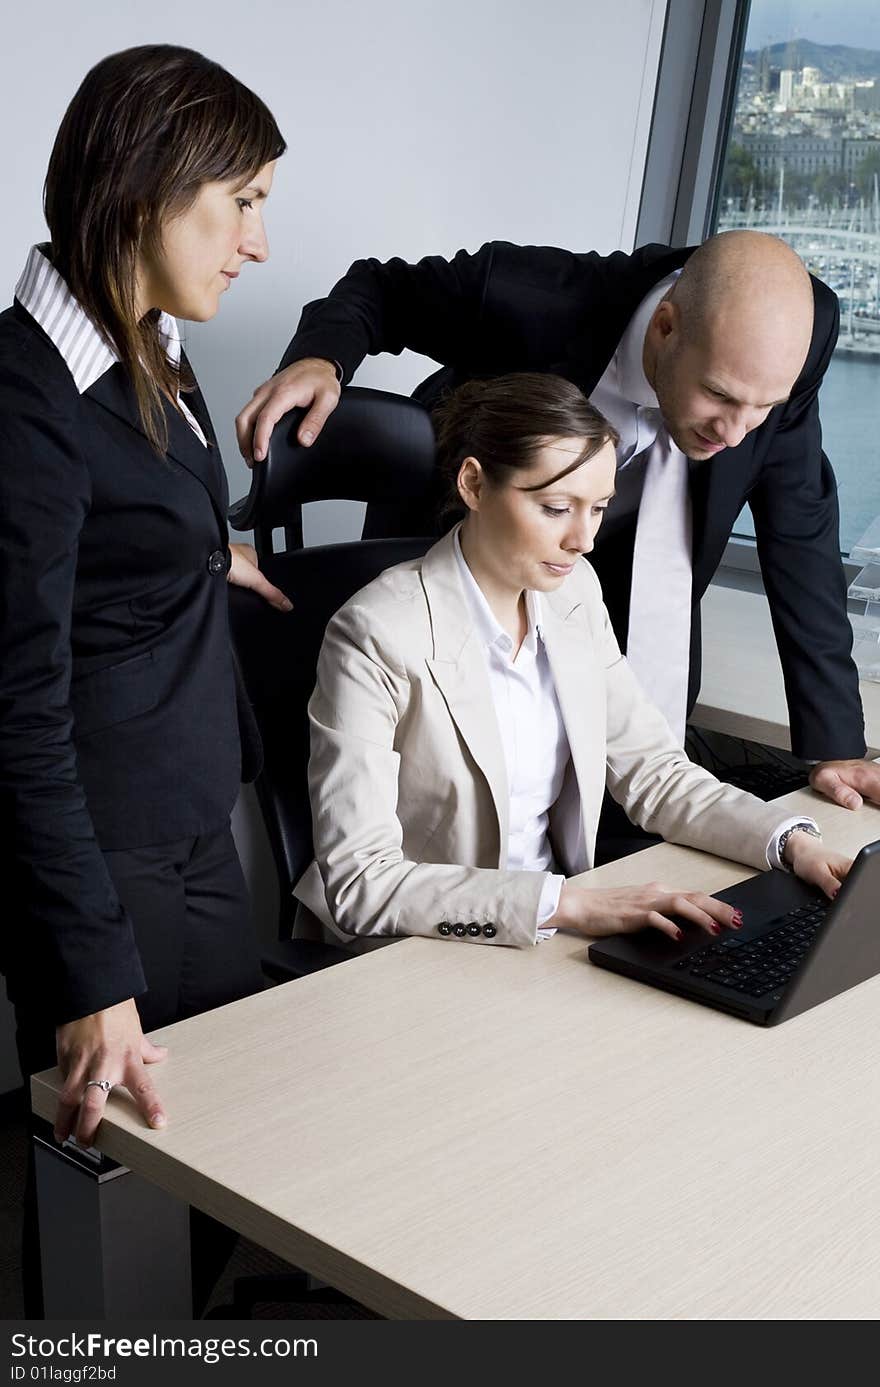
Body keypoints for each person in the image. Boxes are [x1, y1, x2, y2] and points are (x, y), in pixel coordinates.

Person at [235, 231, 880, 816]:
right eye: (719, 395)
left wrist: (836, 744)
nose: (736, 432)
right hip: (454, 557)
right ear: (664, 329)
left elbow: (802, 529)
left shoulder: (796, 337)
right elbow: (383, 287)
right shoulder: (533, 300)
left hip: (613, 602)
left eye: (761, 407)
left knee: (638, 794)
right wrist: (323, 358)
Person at [0, 45, 288, 1311]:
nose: (258, 242)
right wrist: (87, 973)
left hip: (190, 817)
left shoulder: (149, 341)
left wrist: (198, 552)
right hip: (107, 862)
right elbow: (12, 710)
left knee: (238, 1163)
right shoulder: (28, 404)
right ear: (142, 192)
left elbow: (125, 518)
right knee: (121, 1211)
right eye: (240, 202)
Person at [293, 373, 849, 951]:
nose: (583, 539)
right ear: (475, 485)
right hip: (411, 945)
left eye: (599, 508)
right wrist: (571, 904)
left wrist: (790, 844)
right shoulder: (376, 632)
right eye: (557, 508)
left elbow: (655, 772)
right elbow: (362, 882)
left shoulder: (574, 591)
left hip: (547, 932)